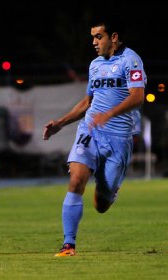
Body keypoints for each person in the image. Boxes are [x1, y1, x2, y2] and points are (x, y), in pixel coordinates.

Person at [43, 14, 146, 257]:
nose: (94, 42)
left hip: (119, 139)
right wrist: (61, 122)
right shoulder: (95, 65)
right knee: (76, 179)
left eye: (98, 37)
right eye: (93, 38)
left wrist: (109, 114)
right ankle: (69, 245)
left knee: (101, 204)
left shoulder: (131, 61)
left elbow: (137, 97)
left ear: (114, 38)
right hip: (90, 131)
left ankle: (110, 190)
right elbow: (89, 100)